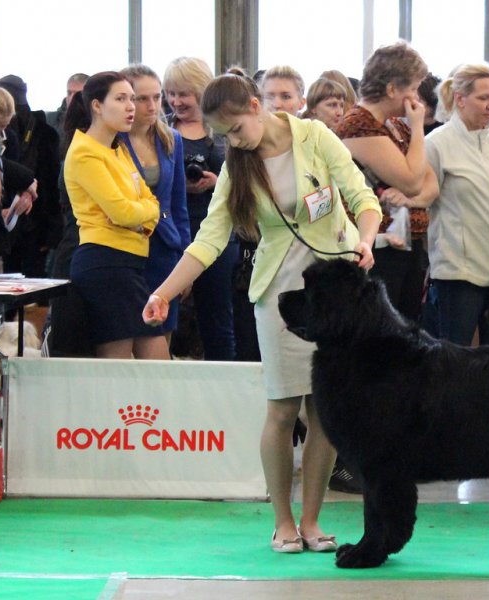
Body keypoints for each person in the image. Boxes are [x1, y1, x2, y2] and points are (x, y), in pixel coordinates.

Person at [142, 69, 381, 553]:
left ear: (256, 107)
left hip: (336, 292)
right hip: (280, 293)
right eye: (223, 136)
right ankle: (283, 522)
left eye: (235, 129)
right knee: (282, 407)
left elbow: (362, 197)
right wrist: (163, 293)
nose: (233, 142)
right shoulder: (239, 165)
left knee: (325, 411)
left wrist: (367, 240)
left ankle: (312, 521)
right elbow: (209, 239)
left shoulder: (315, 137)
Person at [390, 62, 489, 345]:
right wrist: (405, 199)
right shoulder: (437, 143)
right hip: (459, 272)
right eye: (483, 98)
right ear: (460, 99)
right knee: (453, 355)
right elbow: (424, 195)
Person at [63, 71, 169, 359]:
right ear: (97, 105)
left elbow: (152, 202)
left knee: (158, 363)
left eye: (131, 99)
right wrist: (139, 213)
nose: (131, 107)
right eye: (121, 99)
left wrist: (142, 215)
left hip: (130, 263)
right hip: (105, 263)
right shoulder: (85, 152)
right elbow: (122, 212)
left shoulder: (117, 148)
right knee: (120, 367)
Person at [336, 40, 438, 323]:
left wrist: (409, 200)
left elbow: (431, 185)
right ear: (392, 89)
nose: (417, 99)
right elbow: (413, 181)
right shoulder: (359, 125)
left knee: (407, 331)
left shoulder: (397, 125)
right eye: (413, 88)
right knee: (380, 332)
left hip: (408, 246)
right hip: (379, 251)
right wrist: (418, 127)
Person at [164, 57, 237, 360]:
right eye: (171, 94)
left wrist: (217, 182)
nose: (176, 101)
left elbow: (243, 180)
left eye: (184, 94)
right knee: (165, 315)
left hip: (219, 235)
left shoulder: (224, 131)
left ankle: (224, 378)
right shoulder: (162, 130)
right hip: (173, 233)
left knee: (218, 319)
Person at [120, 64, 190, 345]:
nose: (152, 106)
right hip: (126, 248)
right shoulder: (112, 141)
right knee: (127, 333)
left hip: (165, 248)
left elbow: (179, 204)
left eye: (157, 97)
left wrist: (185, 260)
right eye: (142, 98)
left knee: (162, 335)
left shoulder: (171, 138)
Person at [0, 74, 62, 278]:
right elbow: (51, 184)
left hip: (15, 220)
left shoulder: (37, 132)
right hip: (31, 221)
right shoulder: (45, 131)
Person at [47, 73, 89, 159]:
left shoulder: (97, 123)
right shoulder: (51, 120)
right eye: (69, 93)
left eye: (78, 94)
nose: (72, 98)